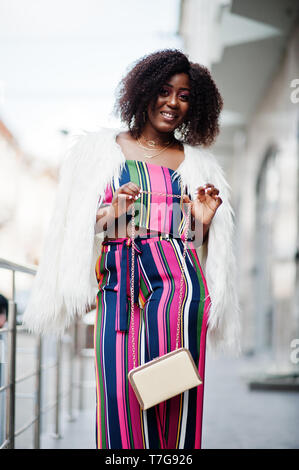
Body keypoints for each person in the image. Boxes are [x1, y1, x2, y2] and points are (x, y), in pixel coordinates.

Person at [22, 49, 241, 450]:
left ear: (196, 105)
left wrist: (202, 221)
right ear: (143, 91)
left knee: (174, 391)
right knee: (120, 390)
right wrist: (116, 213)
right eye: (164, 90)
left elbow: (191, 240)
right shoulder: (100, 153)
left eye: (185, 95)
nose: (173, 102)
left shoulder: (197, 164)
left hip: (179, 284)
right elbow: (80, 228)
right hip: (120, 284)